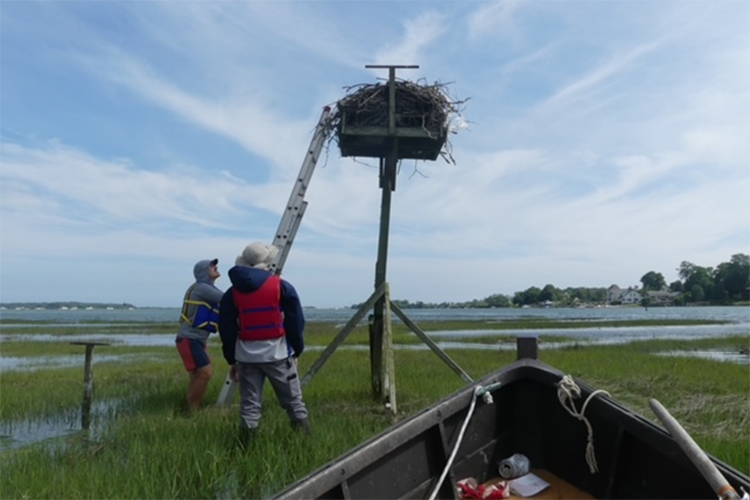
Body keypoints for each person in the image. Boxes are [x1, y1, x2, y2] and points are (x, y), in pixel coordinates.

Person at [219, 241, 310, 442]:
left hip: (245, 357)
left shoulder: (231, 293)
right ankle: (305, 443)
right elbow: (296, 321)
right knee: (294, 402)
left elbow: (226, 329)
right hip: (278, 355)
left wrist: (231, 359)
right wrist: (297, 350)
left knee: (249, 407)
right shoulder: (282, 286)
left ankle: (246, 449)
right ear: (267, 263)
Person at [176, 258, 223, 411]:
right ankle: (193, 410)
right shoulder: (202, 288)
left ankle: (191, 409)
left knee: (198, 374)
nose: (215, 267)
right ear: (204, 271)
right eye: (212, 265)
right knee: (205, 373)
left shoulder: (205, 288)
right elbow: (227, 299)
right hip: (190, 339)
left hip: (195, 339)